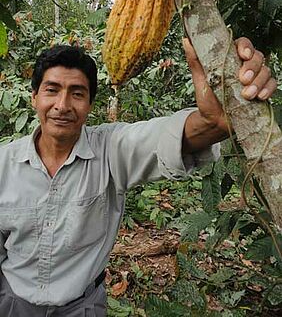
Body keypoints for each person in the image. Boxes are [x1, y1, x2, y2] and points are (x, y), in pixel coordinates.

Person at [0, 37, 277, 316]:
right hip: (12, 303)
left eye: (77, 93)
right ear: (34, 97)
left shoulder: (111, 150)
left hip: (81, 307)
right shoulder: (3, 164)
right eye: (52, 90)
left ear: (90, 104)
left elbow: (210, 125)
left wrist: (222, 85)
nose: (63, 104)